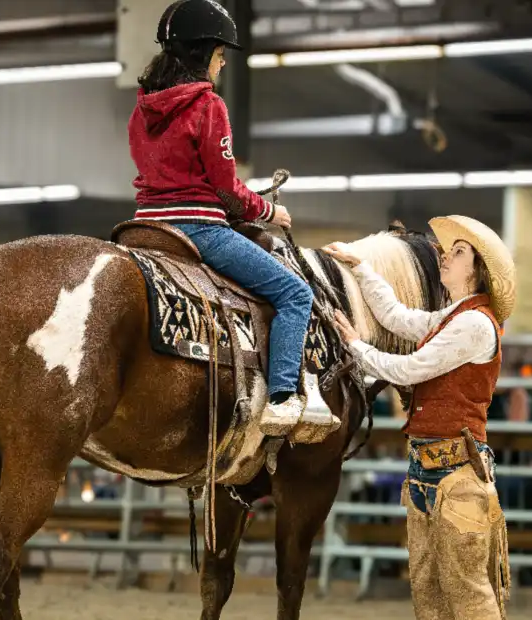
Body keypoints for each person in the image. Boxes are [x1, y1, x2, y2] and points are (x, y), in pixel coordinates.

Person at [128, 0, 337, 443]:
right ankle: (282, 397)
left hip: (145, 227)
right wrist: (269, 212)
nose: (222, 64)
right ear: (203, 54)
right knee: (295, 292)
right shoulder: (208, 106)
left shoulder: (142, 109)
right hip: (199, 230)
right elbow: (225, 189)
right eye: (220, 55)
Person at [324, 215, 516, 620]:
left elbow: (409, 369)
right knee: (432, 591)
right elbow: (396, 317)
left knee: (465, 594)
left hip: (450, 474)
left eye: (458, 252)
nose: (445, 257)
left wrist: (356, 345)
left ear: (477, 269)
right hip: (442, 471)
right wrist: (362, 269)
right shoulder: (457, 319)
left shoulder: (473, 325)